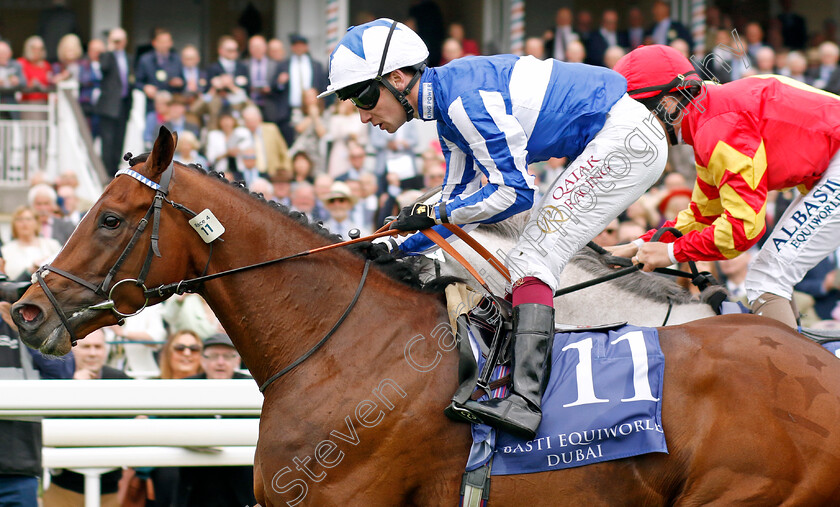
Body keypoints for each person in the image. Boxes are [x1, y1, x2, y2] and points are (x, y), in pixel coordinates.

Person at [320, 18, 667, 439]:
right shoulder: (447, 111)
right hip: (612, 135)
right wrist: (398, 246)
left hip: (626, 139)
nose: (361, 115)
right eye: (350, 101)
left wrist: (436, 213)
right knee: (526, 254)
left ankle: (525, 400)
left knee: (532, 256)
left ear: (397, 78)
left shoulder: (462, 102)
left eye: (364, 95)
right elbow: (454, 201)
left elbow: (514, 195)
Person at [610, 44, 840, 329]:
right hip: (830, 164)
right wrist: (638, 245)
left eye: (638, 116)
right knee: (768, 274)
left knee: (767, 276)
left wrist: (670, 254)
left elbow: (743, 230)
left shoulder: (718, 128)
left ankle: (798, 373)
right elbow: (703, 215)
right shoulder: (708, 114)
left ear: (668, 104)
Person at [42, 329, 130, 507]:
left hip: (110, 489)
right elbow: (50, 422)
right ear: (73, 348)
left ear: (106, 349)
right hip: (64, 488)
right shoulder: (59, 378)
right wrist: (74, 389)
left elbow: (135, 423)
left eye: (98, 347)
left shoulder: (120, 379)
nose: (92, 353)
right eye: (86, 347)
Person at [177, 333, 255, 507]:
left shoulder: (252, 388)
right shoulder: (184, 387)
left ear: (237, 361)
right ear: (203, 361)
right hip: (196, 487)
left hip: (242, 489)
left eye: (227, 356)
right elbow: (165, 424)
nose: (220, 362)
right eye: (213, 356)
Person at [96, 28, 132, 178]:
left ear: (125, 41)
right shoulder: (106, 56)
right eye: (114, 40)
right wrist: (109, 49)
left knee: (119, 138)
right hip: (109, 105)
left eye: (119, 40)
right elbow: (103, 69)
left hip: (124, 103)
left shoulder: (129, 57)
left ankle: (115, 168)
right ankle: (106, 172)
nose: (117, 43)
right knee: (108, 139)